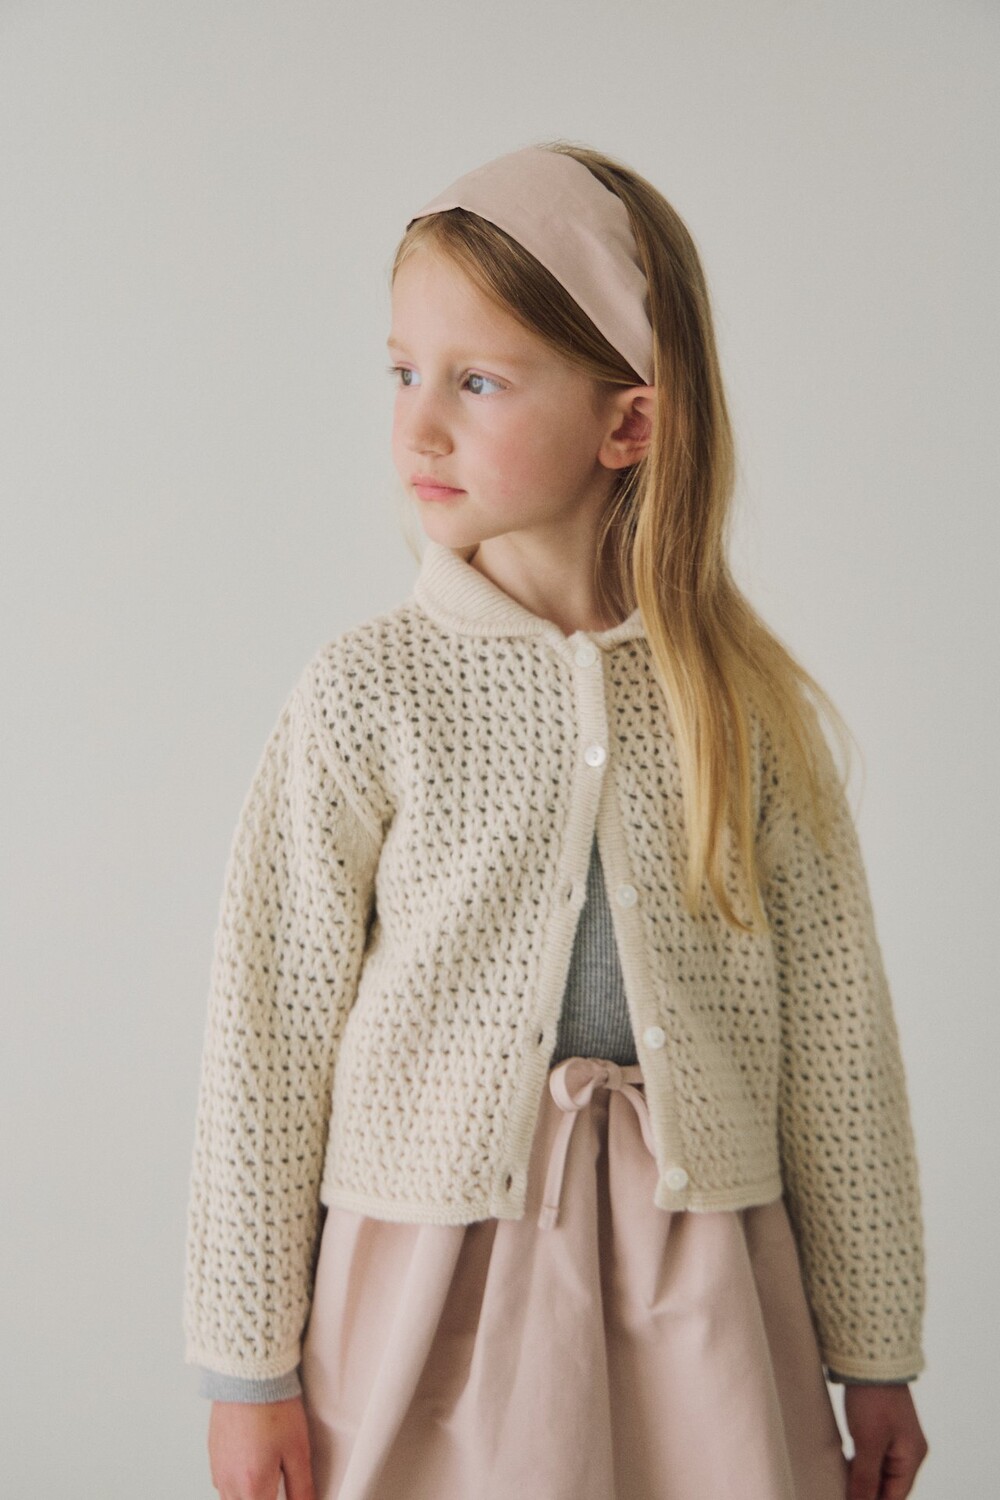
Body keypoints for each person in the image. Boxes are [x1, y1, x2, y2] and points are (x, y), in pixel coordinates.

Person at [183, 141, 929, 1500]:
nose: (419, 427)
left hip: (702, 1280)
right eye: (402, 372)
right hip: (427, 1287)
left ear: (628, 424)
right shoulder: (368, 691)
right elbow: (266, 1036)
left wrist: (875, 1354)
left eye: (476, 381)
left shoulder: (741, 708)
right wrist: (249, 1370)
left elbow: (839, 1044)